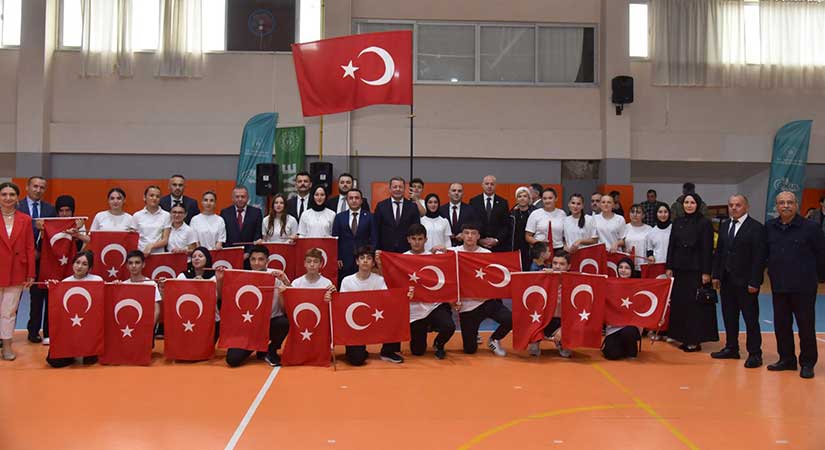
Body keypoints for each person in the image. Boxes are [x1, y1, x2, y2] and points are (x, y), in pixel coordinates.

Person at [764, 191, 825, 379]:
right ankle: (786, 359)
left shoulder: (811, 228)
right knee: (781, 325)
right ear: (776, 206)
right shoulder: (770, 227)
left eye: (789, 202)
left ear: (796, 205)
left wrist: (818, 278)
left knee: (805, 326)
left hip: (804, 287)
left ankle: (807, 363)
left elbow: (821, 255)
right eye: (781, 202)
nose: (786, 206)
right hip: (779, 285)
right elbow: (765, 253)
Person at [711, 194, 766, 368]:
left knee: (750, 319)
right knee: (729, 316)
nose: (734, 208)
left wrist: (755, 281)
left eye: (738, 205)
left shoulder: (756, 228)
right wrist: (716, 275)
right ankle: (731, 348)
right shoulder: (725, 225)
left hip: (746, 282)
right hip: (727, 281)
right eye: (731, 205)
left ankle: (755, 353)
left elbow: (759, 257)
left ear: (746, 207)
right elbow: (720, 252)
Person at [665, 192, 717, 352]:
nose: (689, 205)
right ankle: (680, 335)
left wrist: (706, 272)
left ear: (698, 205)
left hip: (696, 270)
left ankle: (694, 340)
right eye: (686, 202)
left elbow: (707, 249)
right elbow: (672, 245)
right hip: (679, 269)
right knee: (680, 304)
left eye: (692, 202)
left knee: (694, 306)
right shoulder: (678, 221)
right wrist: (669, 266)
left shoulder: (705, 223)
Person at [225, 245, 291, 367]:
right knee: (232, 360)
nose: (256, 263)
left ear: (267, 261)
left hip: (270, 324)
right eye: (253, 259)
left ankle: (270, 350)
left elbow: (288, 306)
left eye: (261, 259)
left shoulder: (277, 276)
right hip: (248, 326)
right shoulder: (242, 277)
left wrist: (286, 284)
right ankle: (258, 346)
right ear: (249, 261)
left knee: (283, 322)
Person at [453, 223, 512, 357]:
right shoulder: (453, 252)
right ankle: (473, 333)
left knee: (511, 319)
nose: (470, 236)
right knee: (470, 349)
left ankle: (494, 339)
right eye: (466, 233)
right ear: (461, 236)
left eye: (473, 233)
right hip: (467, 307)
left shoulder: (487, 253)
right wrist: (436, 249)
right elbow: (435, 258)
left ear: (478, 236)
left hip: (486, 302)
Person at [339, 246, 404, 365]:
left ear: (373, 263)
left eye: (369, 258)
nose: (365, 261)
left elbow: (387, 300)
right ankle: (359, 351)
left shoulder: (379, 280)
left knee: (394, 311)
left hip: (375, 317)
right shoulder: (347, 281)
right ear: (357, 261)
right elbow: (343, 305)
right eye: (362, 258)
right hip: (354, 322)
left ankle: (388, 351)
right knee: (357, 360)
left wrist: (406, 296)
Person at [399, 224, 455, 359]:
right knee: (417, 351)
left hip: (433, 305)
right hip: (415, 309)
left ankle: (439, 344)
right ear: (408, 239)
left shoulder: (434, 258)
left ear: (426, 239)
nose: (417, 242)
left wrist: (447, 251)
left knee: (449, 326)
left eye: (420, 239)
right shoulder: (401, 259)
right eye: (414, 239)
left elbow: (453, 265)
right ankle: (423, 328)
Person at [16, 176, 56, 344]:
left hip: (41, 260)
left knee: (38, 297)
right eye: (35, 186)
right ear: (27, 187)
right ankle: (4, 335)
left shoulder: (50, 209)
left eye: (42, 187)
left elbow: (53, 234)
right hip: (18, 260)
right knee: (12, 299)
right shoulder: (16, 206)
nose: (38, 190)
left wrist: (39, 251)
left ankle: (34, 331)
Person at [45, 251, 103, 367]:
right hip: (71, 327)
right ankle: (72, 352)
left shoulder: (97, 281)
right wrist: (53, 287)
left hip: (89, 328)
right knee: (54, 361)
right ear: (73, 264)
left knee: (89, 361)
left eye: (84, 264)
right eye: (77, 262)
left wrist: (115, 285)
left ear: (90, 268)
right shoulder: (65, 282)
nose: (79, 266)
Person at [1, 182, 36, 360]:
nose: (8, 198)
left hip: (16, 271)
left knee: (9, 311)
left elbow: (30, 247)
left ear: (17, 198)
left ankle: (7, 346)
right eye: (4, 194)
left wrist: (31, 272)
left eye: (12, 194)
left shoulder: (25, 219)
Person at [176, 247, 221, 342]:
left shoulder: (214, 276)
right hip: (186, 320)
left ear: (207, 259)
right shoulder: (183, 276)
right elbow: (176, 297)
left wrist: (204, 285)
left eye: (200, 256)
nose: (196, 258)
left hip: (210, 320)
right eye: (194, 256)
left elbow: (217, 298)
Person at [601, 257, 643, 361]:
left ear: (632, 270)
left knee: (628, 332)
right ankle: (620, 345)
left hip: (631, 326)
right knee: (611, 355)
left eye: (627, 268)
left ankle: (631, 347)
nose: (623, 270)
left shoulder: (638, 286)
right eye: (620, 267)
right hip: (614, 326)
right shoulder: (611, 285)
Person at [332, 188, 377, 282]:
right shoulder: (339, 217)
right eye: (351, 198)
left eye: (356, 198)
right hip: (344, 260)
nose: (354, 200)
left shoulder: (370, 217)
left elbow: (374, 238)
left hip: (363, 259)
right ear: (347, 200)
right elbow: (335, 239)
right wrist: (337, 257)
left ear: (361, 200)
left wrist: (371, 257)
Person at [536, 249, 572, 358]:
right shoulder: (544, 278)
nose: (557, 266)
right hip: (543, 320)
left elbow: (576, 314)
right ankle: (535, 341)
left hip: (563, 321)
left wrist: (563, 329)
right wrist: (541, 276)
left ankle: (561, 341)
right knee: (533, 352)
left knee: (566, 353)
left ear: (569, 266)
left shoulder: (573, 284)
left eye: (562, 264)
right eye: (555, 263)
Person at [374, 177, 421, 253]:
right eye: (395, 187)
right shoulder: (381, 206)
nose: (398, 189)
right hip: (386, 251)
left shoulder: (412, 207)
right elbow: (376, 229)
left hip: (407, 250)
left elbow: (416, 230)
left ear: (404, 189)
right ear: (390, 189)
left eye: (400, 187)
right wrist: (376, 248)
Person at [121, 250, 163, 328]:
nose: (133, 266)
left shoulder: (151, 284)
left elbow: (157, 310)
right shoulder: (122, 285)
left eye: (137, 262)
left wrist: (148, 329)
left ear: (143, 264)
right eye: (130, 263)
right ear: (127, 266)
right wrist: (115, 286)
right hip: (127, 329)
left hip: (146, 328)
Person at [469, 175, 511, 252]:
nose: (489, 186)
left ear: (496, 186)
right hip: (478, 245)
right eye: (487, 184)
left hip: (498, 246)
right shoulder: (474, 201)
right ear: (482, 185)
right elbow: (472, 223)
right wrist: (479, 239)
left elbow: (506, 225)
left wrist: (496, 240)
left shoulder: (503, 202)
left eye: (492, 184)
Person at [219, 185, 263, 253]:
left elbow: (257, 235)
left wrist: (249, 252)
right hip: (230, 253)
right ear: (232, 198)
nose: (240, 199)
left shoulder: (256, 213)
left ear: (248, 198)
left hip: (250, 254)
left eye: (243, 196)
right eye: (237, 197)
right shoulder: (225, 213)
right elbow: (223, 235)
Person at [131, 185, 171, 256]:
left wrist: (151, 246)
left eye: (157, 196)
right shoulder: (137, 215)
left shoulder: (166, 215)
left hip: (158, 255)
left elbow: (165, 240)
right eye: (151, 195)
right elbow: (133, 239)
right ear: (144, 197)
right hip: (140, 255)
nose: (154, 198)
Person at [439, 183, 479, 247]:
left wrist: (464, 234)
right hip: (445, 246)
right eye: (454, 190)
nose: (456, 193)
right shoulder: (441, 210)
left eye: (459, 191)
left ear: (463, 194)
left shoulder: (470, 210)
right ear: (448, 193)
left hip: (464, 246)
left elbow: (476, 226)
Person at [619, 204, 652, 269]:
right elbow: (621, 244)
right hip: (628, 266)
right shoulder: (625, 227)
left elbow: (651, 248)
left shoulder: (649, 229)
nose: (635, 214)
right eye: (632, 212)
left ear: (643, 215)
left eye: (638, 212)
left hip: (644, 265)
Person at [510, 186, 536, 270]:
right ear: (516, 199)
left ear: (529, 198)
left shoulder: (535, 212)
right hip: (516, 246)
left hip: (530, 247)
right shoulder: (511, 213)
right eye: (519, 196)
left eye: (525, 196)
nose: (522, 198)